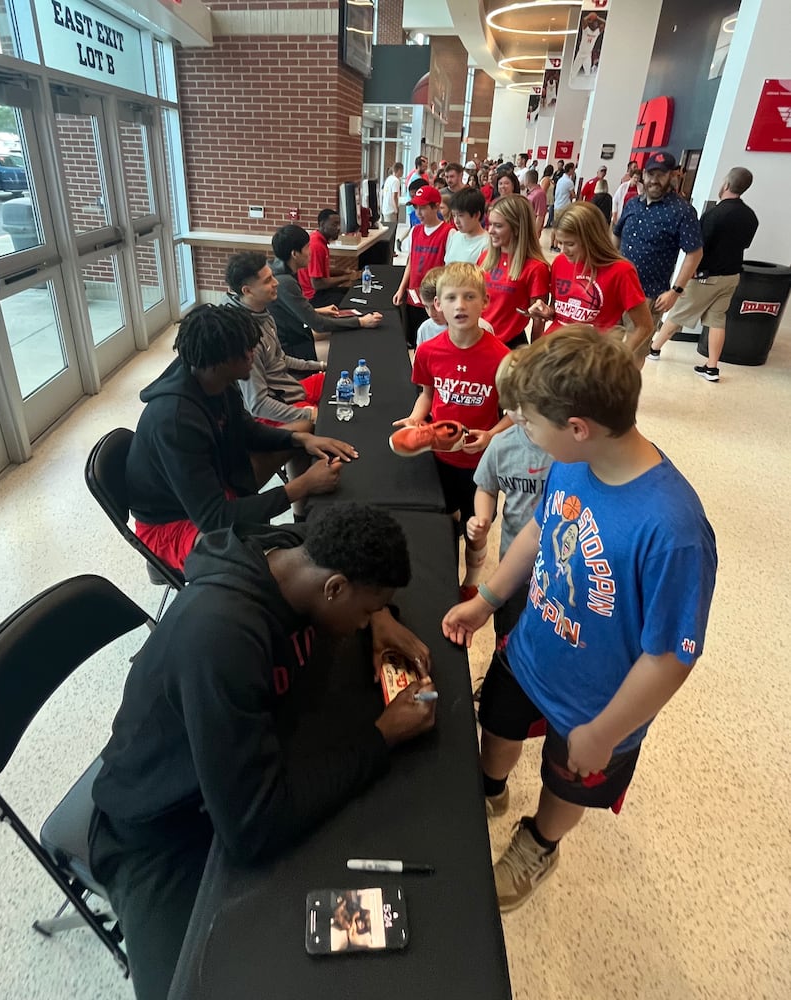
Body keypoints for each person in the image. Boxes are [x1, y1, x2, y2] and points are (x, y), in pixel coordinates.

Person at [89, 503, 438, 999]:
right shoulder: (220, 639)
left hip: (238, 769)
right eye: (363, 611)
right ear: (334, 588)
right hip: (156, 828)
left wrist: (381, 618)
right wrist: (382, 735)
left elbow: (347, 565)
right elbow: (254, 829)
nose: (363, 625)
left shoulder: (295, 549)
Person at [442, 326, 717, 913]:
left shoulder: (673, 532)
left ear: (577, 427)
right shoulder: (571, 462)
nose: (520, 430)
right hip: (530, 652)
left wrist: (605, 732)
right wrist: (487, 598)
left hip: (598, 705)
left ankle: (539, 843)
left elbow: (671, 654)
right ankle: (488, 790)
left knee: (566, 783)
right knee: (497, 726)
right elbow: (541, 531)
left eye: (528, 422)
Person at [125, 304, 355, 571]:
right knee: (257, 563)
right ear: (219, 361)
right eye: (246, 350)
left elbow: (248, 430)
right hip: (172, 523)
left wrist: (301, 441)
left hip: (213, 483)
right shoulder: (174, 422)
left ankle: (305, 517)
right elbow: (214, 518)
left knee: (301, 431)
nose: (253, 353)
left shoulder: (216, 380)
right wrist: (302, 486)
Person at [392, 263, 510, 597]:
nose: (460, 305)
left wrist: (489, 435)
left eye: (469, 296)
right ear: (437, 306)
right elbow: (427, 396)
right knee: (441, 518)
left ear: (485, 302)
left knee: (477, 529)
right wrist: (416, 419)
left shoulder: (501, 357)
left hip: (480, 463)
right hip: (439, 457)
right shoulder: (428, 351)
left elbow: (515, 414)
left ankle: (471, 582)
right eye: (451, 298)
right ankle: (441, 570)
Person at [466, 353, 554, 651]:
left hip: (558, 566)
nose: (518, 412)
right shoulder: (501, 445)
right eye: (510, 403)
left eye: (526, 402)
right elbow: (486, 487)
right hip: (514, 560)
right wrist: (482, 518)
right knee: (507, 628)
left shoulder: (566, 450)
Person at [647, 166, 759, 382]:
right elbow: (745, 243)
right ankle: (712, 367)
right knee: (717, 320)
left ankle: (654, 348)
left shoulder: (714, 214)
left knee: (679, 311)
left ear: (726, 184)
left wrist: (687, 275)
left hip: (706, 277)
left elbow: (697, 248)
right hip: (732, 276)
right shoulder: (750, 216)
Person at [529, 202, 653, 357]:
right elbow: (559, 308)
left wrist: (620, 359)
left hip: (590, 359)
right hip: (554, 350)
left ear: (591, 239)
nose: (563, 250)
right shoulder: (560, 262)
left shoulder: (621, 271)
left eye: (570, 244)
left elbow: (644, 326)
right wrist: (547, 311)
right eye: (560, 243)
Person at [225, 251, 326, 427]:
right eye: (267, 281)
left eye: (272, 277)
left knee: (334, 380)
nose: (276, 283)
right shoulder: (245, 339)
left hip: (289, 390)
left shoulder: (264, 314)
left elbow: (281, 358)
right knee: (323, 421)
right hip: (274, 406)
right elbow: (257, 404)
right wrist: (308, 413)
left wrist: (321, 366)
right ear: (247, 291)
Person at [613, 152, 703, 333]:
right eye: (651, 174)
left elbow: (695, 253)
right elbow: (616, 235)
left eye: (661, 175)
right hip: (616, 289)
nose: (654, 180)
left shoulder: (682, 212)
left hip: (647, 295)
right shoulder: (632, 203)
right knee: (606, 348)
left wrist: (675, 292)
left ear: (672, 175)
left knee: (634, 352)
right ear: (643, 174)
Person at [270, 224, 382, 362]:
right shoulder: (285, 282)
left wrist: (320, 310)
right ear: (294, 254)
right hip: (288, 349)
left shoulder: (281, 271)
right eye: (307, 248)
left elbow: (291, 311)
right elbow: (318, 325)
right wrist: (361, 321)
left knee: (343, 331)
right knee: (348, 347)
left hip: (296, 335)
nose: (310, 252)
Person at [477, 194, 550, 349]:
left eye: (498, 226)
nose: (490, 231)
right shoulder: (485, 258)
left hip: (509, 346)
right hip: (478, 340)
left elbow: (538, 320)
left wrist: (535, 355)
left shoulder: (536, 268)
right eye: (489, 224)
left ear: (517, 228)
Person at [392, 184, 452, 342]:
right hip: (414, 297)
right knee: (415, 340)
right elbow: (411, 262)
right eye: (416, 208)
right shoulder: (415, 231)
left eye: (423, 208)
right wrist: (401, 289)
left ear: (436, 206)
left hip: (435, 300)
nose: (418, 213)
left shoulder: (448, 233)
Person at [416, 265, 495, 348]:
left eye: (435, 307)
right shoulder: (424, 330)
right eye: (426, 307)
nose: (431, 314)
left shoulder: (484, 328)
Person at [298, 208, 359, 309]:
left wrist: (343, 272)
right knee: (351, 300)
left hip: (320, 292)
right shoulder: (316, 246)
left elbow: (320, 272)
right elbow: (317, 284)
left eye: (339, 224)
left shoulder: (319, 241)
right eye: (334, 224)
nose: (338, 228)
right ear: (322, 225)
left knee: (352, 291)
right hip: (314, 297)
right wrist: (347, 278)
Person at [445, 188, 490, 264]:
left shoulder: (486, 243)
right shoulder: (455, 236)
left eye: (460, 215)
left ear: (476, 215)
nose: (456, 221)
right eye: (454, 215)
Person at [571, 11, 606, 78]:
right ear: (591, 23)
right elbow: (583, 20)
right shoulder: (586, 30)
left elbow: (605, 23)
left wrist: (597, 17)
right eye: (595, 22)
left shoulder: (596, 32)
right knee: (573, 73)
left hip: (587, 55)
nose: (596, 24)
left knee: (587, 73)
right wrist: (590, 16)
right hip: (581, 53)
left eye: (597, 23)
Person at [553, 162, 576, 236]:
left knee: (555, 226)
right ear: (570, 170)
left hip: (557, 205)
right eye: (573, 169)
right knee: (560, 227)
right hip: (564, 207)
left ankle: (552, 244)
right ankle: (556, 245)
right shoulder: (569, 182)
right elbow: (573, 195)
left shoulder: (560, 180)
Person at [523, 169, 547, 238]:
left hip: (532, 229)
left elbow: (540, 215)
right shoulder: (531, 193)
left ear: (527, 180)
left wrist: (535, 233)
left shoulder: (539, 194)